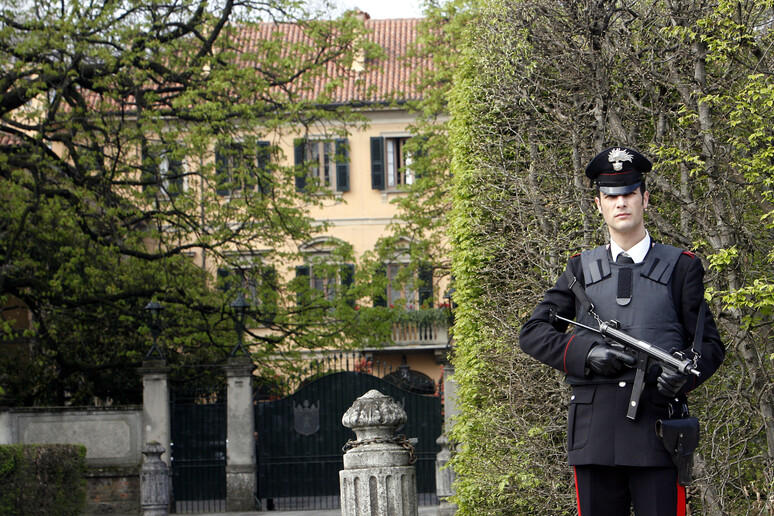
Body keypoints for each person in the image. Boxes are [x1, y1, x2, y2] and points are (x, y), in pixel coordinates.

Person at [518, 146, 725, 516]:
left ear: (644, 197)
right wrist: (587, 355)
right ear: (599, 204)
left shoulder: (681, 268)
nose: (620, 202)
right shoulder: (579, 269)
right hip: (595, 434)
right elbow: (533, 332)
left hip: (658, 431)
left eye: (629, 193)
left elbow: (709, 346)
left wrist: (685, 377)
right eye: (611, 196)